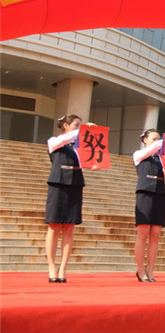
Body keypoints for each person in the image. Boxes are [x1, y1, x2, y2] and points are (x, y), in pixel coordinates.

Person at [45, 115, 96, 283]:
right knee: (54, 226)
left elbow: (90, 159)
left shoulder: (79, 144)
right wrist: (84, 131)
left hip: (75, 184)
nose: (79, 128)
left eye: (80, 126)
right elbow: (63, 140)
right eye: (76, 125)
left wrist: (95, 163)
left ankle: (63, 268)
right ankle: (51, 267)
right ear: (66, 126)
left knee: (69, 227)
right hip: (58, 184)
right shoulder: (54, 141)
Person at [133, 129, 165, 282]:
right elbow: (154, 148)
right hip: (145, 193)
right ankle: (140, 270)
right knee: (142, 234)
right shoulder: (139, 155)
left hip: (160, 194)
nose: (156, 141)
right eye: (153, 138)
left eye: (158, 138)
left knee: (155, 235)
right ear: (145, 140)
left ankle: (150, 269)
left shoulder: (161, 158)